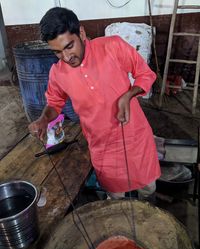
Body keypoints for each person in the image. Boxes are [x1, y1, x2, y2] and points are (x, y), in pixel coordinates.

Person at [29, 7, 161, 200]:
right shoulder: (57, 73)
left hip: (135, 138)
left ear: (81, 33)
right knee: (115, 198)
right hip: (103, 146)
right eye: (57, 52)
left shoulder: (112, 47)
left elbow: (145, 74)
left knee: (148, 190)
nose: (66, 57)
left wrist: (129, 94)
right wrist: (43, 119)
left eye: (69, 46)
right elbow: (54, 102)